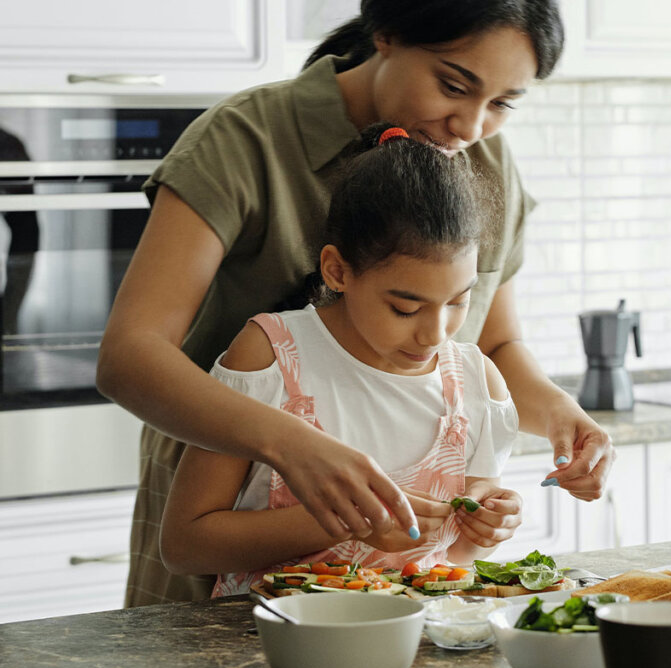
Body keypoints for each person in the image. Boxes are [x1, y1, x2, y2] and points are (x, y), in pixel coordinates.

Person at [96, 0, 616, 607]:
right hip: (226, 506)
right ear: (387, 34)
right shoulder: (247, 138)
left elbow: (492, 344)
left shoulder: (486, 164)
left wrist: (559, 415)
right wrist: (292, 444)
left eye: (502, 104)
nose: (471, 128)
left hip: (395, 582)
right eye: (453, 85)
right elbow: (131, 356)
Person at [160, 123, 520, 594]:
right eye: (405, 308)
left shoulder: (476, 384)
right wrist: (344, 522)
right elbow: (185, 546)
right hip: (269, 647)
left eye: (458, 301)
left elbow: (455, 559)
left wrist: (485, 530)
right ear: (337, 270)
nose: (435, 333)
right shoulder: (271, 357)